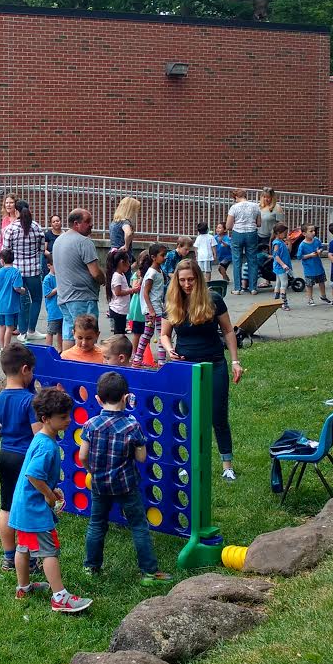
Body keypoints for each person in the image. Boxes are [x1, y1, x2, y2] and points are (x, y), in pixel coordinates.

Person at [8, 387, 93, 613]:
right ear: (46, 419)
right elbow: (33, 475)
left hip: (22, 505)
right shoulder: (47, 446)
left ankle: (23, 588)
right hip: (35, 509)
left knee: (24, 546)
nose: (69, 420)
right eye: (63, 417)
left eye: (69, 415)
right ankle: (60, 597)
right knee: (49, 551)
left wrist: (51, 490)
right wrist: (48, 495)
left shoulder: (39, 438)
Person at [160, 259, 245, 481]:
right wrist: (170, 350)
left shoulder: (213, 299)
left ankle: (227, 464)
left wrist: (235, 361)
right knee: (188, 416)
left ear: (198, 278)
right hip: (184, 366)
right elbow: (164, 334)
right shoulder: (172, 301)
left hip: (214, 363)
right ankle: (189, 463)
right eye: (182, 280)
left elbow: (228, 331)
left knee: (218, 414)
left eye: (191, 279)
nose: (187, 284)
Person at [81, 371, 169, 584]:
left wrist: (91, 471)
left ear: (98, 399)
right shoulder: (132, 426)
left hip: (99, 484)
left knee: (96, 524)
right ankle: (149, 572)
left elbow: (83, 455)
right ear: (126, 397)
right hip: (126, 485)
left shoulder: (90, 425)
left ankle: (90, 567)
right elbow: (140, 458)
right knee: (138, 525)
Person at [0, 343, 38, 572]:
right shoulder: (29, 401)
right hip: (25, 459)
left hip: (4, 457)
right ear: (25, 369)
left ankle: (8, 557)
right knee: (27, 506)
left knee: (6, 506)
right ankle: (31, 558)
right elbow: (38, 436)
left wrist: (7, 432)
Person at [52, 208, 104, 340]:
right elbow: (95, 273)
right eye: (87, 221)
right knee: (86, 336)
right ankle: (84, 361)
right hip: (82, 297)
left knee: (70, 334)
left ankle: (68, 360)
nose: (91, 224)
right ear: (76, 223)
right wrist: (104, 279)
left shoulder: (58, 240)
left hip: (64, 296)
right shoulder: (84, 242)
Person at [2, 201, 47, 341]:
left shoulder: (11, 228)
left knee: (22, 301)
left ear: (16, 211)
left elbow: (6, 251)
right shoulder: (37, 227)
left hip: (17, 271)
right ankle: (32, 329)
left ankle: (22, 332)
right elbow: (41, 250)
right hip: (33, 269)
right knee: (37, 299)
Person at [225, 189, 262, 293]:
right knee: (252, 260)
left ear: (236, 197)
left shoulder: (234, 207)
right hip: (252, 233)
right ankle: (253, 288)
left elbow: (228, 226)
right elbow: (259, 223)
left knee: (237, 260)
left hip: (237, 233)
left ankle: (238, 288)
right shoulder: (255, 206)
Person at [0, 247, 26, 349]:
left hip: (0, 303)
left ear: (2, 260)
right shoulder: (15, 272)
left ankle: (1, 347)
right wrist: (23, 290)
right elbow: (16, 287)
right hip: (11, 304)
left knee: (2, 326)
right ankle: (6, 347)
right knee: (10, 327)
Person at [105, 249, 136, 337]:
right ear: (122, 262)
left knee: (120, 333)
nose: (129, 264)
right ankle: (117, 350)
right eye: (128, 262)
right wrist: (132, 290)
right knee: (119, 335)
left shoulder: (121, 274)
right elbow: (118, 292)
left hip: (121, 309)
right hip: (118, 310)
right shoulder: (117, 276)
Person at [299, 223, 328, 305]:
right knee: (309, 285)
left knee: (322, 282)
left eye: (314, 231)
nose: (313, 233)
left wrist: (320, 250)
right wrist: (310, 255)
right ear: (304, 234)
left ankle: (323, 296)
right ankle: (310, 299)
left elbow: (321, 247)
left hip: (318, 266)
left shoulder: (316, 240)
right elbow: (299, 256)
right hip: (309, 268)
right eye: (311, 231)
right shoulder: (302, 245)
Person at [270, 223, 293, 310]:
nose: (286, 235)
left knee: (278, 283)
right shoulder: (277, 243)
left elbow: (288, 251)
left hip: (281, 266)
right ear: (278, 233)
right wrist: (283, 265)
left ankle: (276, 300)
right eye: (284, 233)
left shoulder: (281, 242)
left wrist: (290, 243)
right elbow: (276, 255)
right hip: (281, 266)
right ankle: (284, 302)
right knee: (284, 283)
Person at [42, 265, 64, 352]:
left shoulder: (61, 277)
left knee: (61, 332)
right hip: (53, 311)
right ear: (49, 266)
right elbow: (47, 294)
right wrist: (58, 288)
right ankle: (48, 351)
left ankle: (60, 350)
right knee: (50, 332)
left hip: (62, 309)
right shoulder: (47, 279)